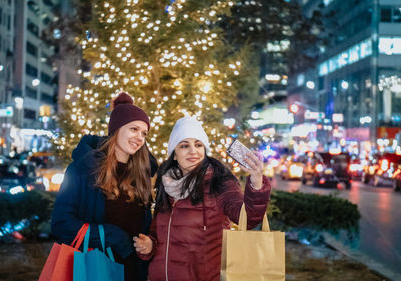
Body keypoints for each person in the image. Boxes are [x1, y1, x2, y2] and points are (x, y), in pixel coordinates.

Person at [133, 116, 271, 281]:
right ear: (174, 155)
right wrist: (149, 246)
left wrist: (256, 183)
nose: (193, 151)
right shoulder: (166, 185)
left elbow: (248, 219)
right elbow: (158, 236)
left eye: (198, 145)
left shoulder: (219, 183)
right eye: (185, 145)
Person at [51, 92, 158, 281]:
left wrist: (149, 244)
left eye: (144, 133)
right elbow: (61, 223)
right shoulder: (83, 168)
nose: (139, 137)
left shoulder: (142, 174)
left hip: (134, 272)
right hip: (94, 270)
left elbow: (146, 226)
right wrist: (112, 236)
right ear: (116, 129)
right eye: (134, 129)